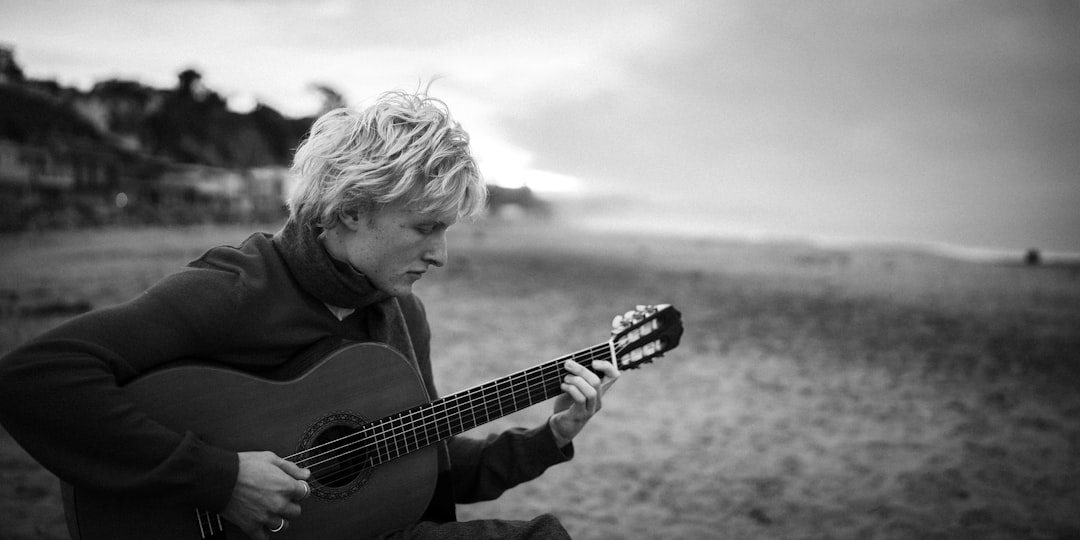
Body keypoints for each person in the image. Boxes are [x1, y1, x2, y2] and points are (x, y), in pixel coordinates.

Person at [0, 88, 619, 539]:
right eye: (426, 228)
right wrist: (219, 480)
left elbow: (422, 463)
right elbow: (36, 379)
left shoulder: (402, 316)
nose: (442, 254)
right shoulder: (236, 288)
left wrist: (548, 438)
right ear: (353, 210)